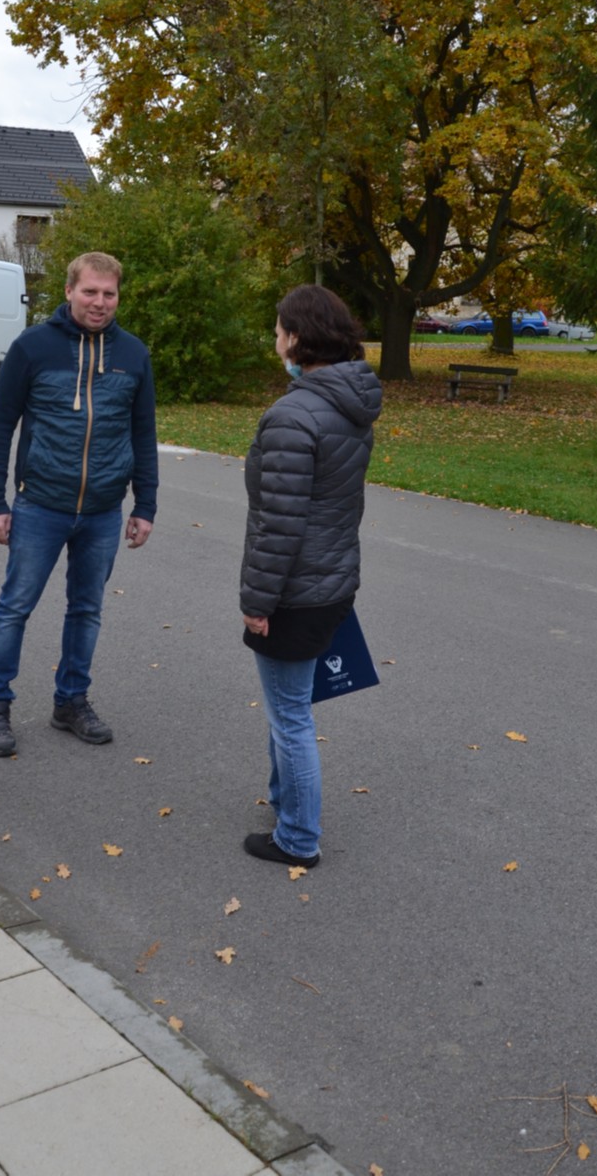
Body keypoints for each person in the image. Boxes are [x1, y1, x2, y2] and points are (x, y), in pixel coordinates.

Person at [0, 251, 158, 755]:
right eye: (90, 291)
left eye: (109, 293)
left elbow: (143, 433)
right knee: (15, 608)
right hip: (40, 505)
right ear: (68, 291)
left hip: (103, 511)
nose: (100, 302)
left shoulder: (133, 354)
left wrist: (145, 505)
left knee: (86, 610)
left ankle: (71, 701)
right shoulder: (32, 347)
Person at [240, 284, 382, 868]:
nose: (274, 340)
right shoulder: (351, 404)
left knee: (291, 716)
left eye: (278, 331)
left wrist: (257, 601)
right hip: (333, 579)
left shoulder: (293, 414)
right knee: (290, 707)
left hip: (296, 590)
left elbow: (279, 524)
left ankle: (298, 837)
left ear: (296, 338)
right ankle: (284, 805)